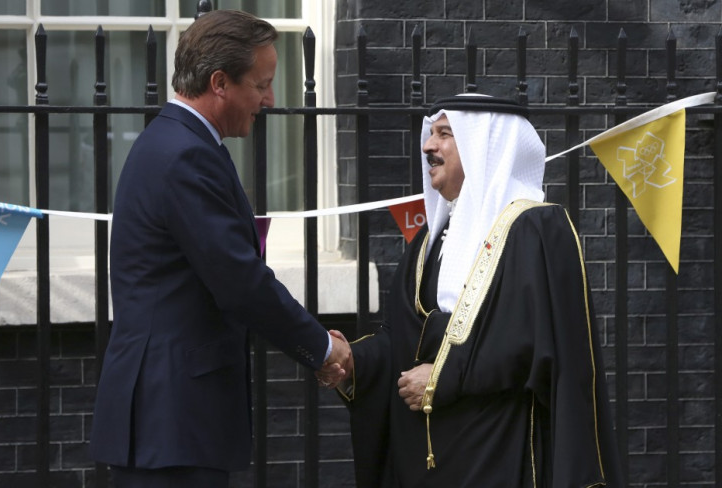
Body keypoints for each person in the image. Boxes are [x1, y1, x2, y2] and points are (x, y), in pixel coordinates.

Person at [89, 10, 348, 487]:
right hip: (169, 423)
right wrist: (320, 346)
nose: (269, 99)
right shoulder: (186, 155)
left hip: (167, 421)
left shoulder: (174, 143)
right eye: (261, 84)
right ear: (219, 82)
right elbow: (239, 280)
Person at [318, 94, 624, 487]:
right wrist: (352, 359)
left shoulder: (538, 228)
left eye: (445, 134)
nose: (429, 145)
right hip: (425, 457)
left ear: (484, 146)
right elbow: (404, 336)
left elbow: (538, 341)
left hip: (498, 446)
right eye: (430, 134)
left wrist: (446, 375)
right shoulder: (431, 239)